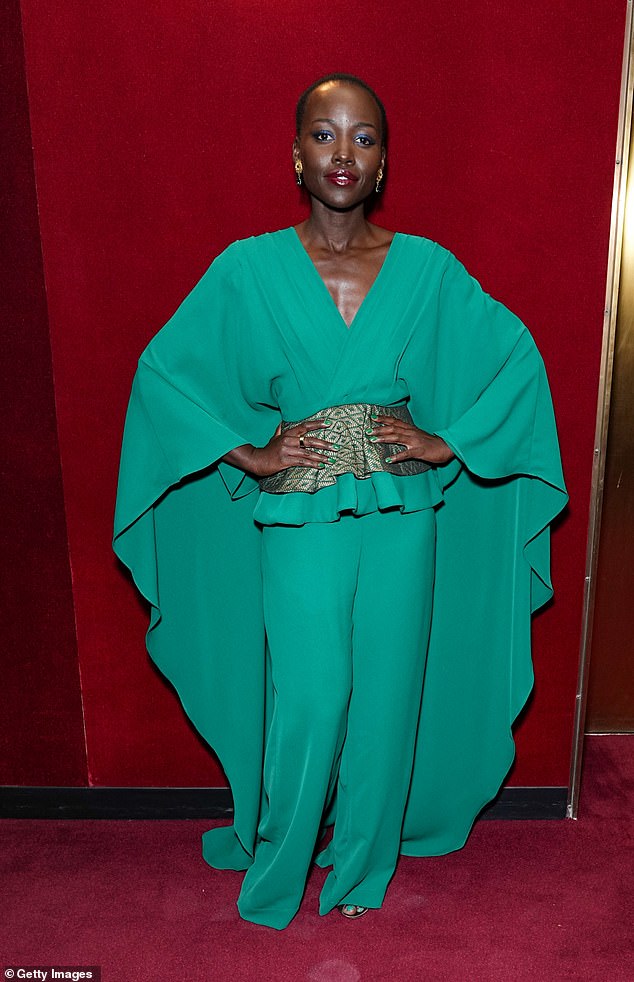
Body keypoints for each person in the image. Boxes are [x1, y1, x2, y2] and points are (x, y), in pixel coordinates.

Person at [113, 73, 567, 931]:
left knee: (390, 695)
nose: (343, 153)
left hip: (405, 515)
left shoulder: (428, 269)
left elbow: (516, 360)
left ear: (384, 162)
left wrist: (449, 442)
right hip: (299, 512)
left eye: (363, 139)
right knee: (313, 695)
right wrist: (246, 451)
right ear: (296, 153)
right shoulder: (246, 269)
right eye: (325, 135)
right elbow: (164, 373)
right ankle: (282, 864)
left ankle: (360, 871)